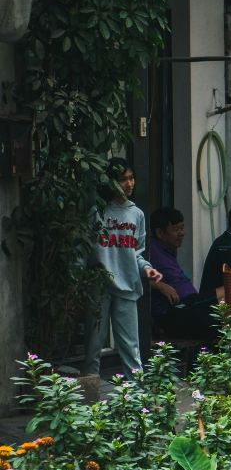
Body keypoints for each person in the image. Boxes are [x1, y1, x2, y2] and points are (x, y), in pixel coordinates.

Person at [86, 158, 151, 376]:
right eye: (123, 179)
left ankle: (136, 400)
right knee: (93, 346)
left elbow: (137, 252)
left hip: (127, 286)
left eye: (132, 178)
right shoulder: (97, 211)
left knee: (131, 347)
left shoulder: (137, 214)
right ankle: (90, 398)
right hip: (100, 284)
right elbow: (85, 248)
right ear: (111, 181)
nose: (129, 184)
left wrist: (146, 269)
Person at [146, 207, 221, 343]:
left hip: (189, 305)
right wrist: (160, 285)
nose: (181, 233)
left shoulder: (168, 250)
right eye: (176, 230)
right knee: (225, 294)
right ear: (160, 233)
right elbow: (139, 274)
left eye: (182, 228)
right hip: (173, 312)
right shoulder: (152, 252)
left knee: (229, 296)